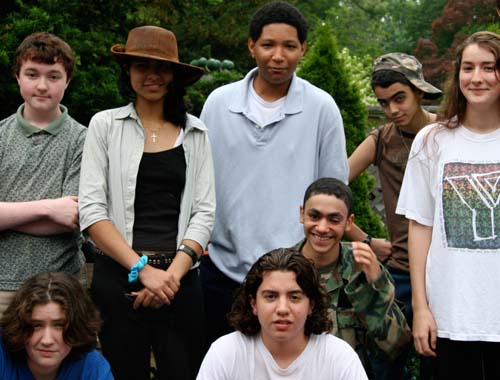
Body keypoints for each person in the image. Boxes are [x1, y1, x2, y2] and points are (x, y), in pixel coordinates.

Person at [200, 0, 349, 344]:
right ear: (251, 46)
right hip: (221, 268)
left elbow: (334, 189)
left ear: (303, 50)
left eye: (289, 46)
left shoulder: (321, 107)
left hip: (293, 276)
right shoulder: (219, 104)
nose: (278, 56)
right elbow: (199, 180)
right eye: (268, 45)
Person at [78, 25, 215, 380]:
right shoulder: (104, 126)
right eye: (141, 65)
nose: (151, 75)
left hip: (180, 281)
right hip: (117, 279)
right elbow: (92, 210)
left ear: (175, 75)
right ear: (128, 71)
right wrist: (144, 271)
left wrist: (169, 277)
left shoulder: (196, 133)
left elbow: (205, 211)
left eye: (161, 67)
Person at [396, 31, 500, 379]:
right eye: (468, 67)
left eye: (489, 67)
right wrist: (421, 307)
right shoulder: (433, 140)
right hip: (449, 320)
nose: (477, 77)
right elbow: (420, 226)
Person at [347, 53, 442, 378]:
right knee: (385, 366)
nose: (392, 110)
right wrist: (365, 239)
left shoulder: (446, 133)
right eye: (383, 102)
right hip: (399, 273)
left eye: (399, 98)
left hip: (445, 274)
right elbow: (330, 190)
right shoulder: (382, 140)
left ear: (419, 91)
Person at [0, 32, 86, 316]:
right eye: (32, 74)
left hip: (64, 285)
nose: (41, 85)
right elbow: (58, 213)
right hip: (2, 286)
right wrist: (50, 208)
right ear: (17, 77)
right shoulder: (0, 136)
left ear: (68, 80)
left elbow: (71, 218)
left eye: (53, 76)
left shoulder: (84, 140)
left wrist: (7, 216)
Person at [293, 177, 410, 377]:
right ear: (302, 214)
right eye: (315, 216)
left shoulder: (364, 267)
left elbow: (396, 346)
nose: (322, 227)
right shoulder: (280, 269)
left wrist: (376, 285)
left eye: (334, 219)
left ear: (349, 222)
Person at [197, 248, 367, 379]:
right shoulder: (226, 352)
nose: (282, 309)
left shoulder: (338, 356)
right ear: (254, 304)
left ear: (311, 305)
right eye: (271, 296)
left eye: (294, 297)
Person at [0, 272, 113, 379]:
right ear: (19, 326)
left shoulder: (92, 367)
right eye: (36, 325)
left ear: (78, 327)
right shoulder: (4, 357)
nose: (47, 340)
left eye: (59, 325)